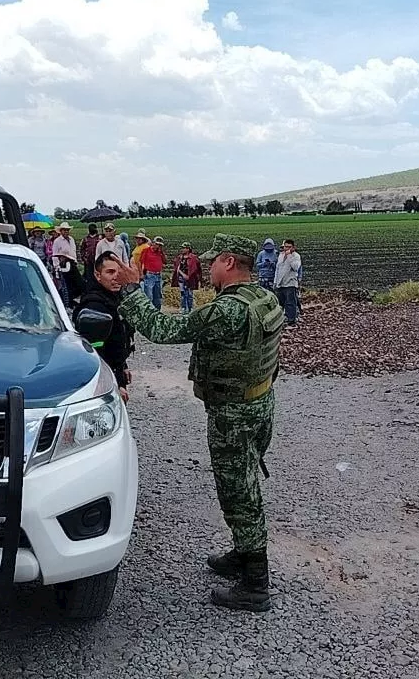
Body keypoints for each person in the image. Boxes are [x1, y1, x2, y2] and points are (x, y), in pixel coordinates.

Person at [114, 233, 285, 612]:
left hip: (233, 414)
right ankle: (243, 553)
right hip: (259, 402)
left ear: (228, 261)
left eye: (212, 262)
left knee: (239, 494)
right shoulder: (265, 298)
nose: (208, 269)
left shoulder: (227, 310)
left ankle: (255, 584)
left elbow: (163, 329)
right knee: (245, 483)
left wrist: (131, 289)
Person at [74, 251, 135, 403]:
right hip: (101, 383)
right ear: (97, 275)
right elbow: (95, 352)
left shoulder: (115, 299)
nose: (116, 277)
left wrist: (123, 366)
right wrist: (115, 385)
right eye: (110, 272)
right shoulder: (94, 306)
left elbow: (116, 341)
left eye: (119, 272)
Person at [51, 222, 83, 308]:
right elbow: (54, 254)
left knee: (79, 283)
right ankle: (67, 302)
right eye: (64, 230)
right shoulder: (57, 241)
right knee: (67, 284)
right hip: (63, 264)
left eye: (67, 230)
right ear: (61, 231)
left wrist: (75, 261)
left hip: (72, 263)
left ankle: (71, 299)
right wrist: (57, 267)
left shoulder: (71, 239)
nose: (66, 232)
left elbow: (73, 252)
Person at [274, 238, 301, 327]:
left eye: (289, 247)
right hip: (280, 283)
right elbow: (278, 269)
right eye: (285, 247)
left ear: (293, 247)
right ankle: (282, 319)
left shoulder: (296, 256)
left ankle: (291, 320)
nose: (287, 249)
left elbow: (295, 267)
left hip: (290, 283)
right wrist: (275, 281)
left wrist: (289, 256)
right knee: (280, 302)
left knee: (290, 302)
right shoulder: (281, 255)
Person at [172, 241, 202, 314]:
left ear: (188, 249)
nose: (182, 249)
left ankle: (190, 308)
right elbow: (177, 268)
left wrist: (197, 278)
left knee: (190, 294)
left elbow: (197, 268)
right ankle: (183, 307)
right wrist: (181, 274)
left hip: (190, 279)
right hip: (181, 278)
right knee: (183, 293)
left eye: (184, 248)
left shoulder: (193, 258)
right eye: (182, 248)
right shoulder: (179, 258)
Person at [139, 236, 167, 309]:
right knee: (149, 295)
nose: (158, 246)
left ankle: (157, 311)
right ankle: (149, 311)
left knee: (157, 295)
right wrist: (141, 273)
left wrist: (161, 252)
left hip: (158, 275)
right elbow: (140, 262)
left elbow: (165, 261)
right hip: (149, 275)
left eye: (160, 245)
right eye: (157, 244)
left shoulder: (160, 252)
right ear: (153, 243)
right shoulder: (146, 251)